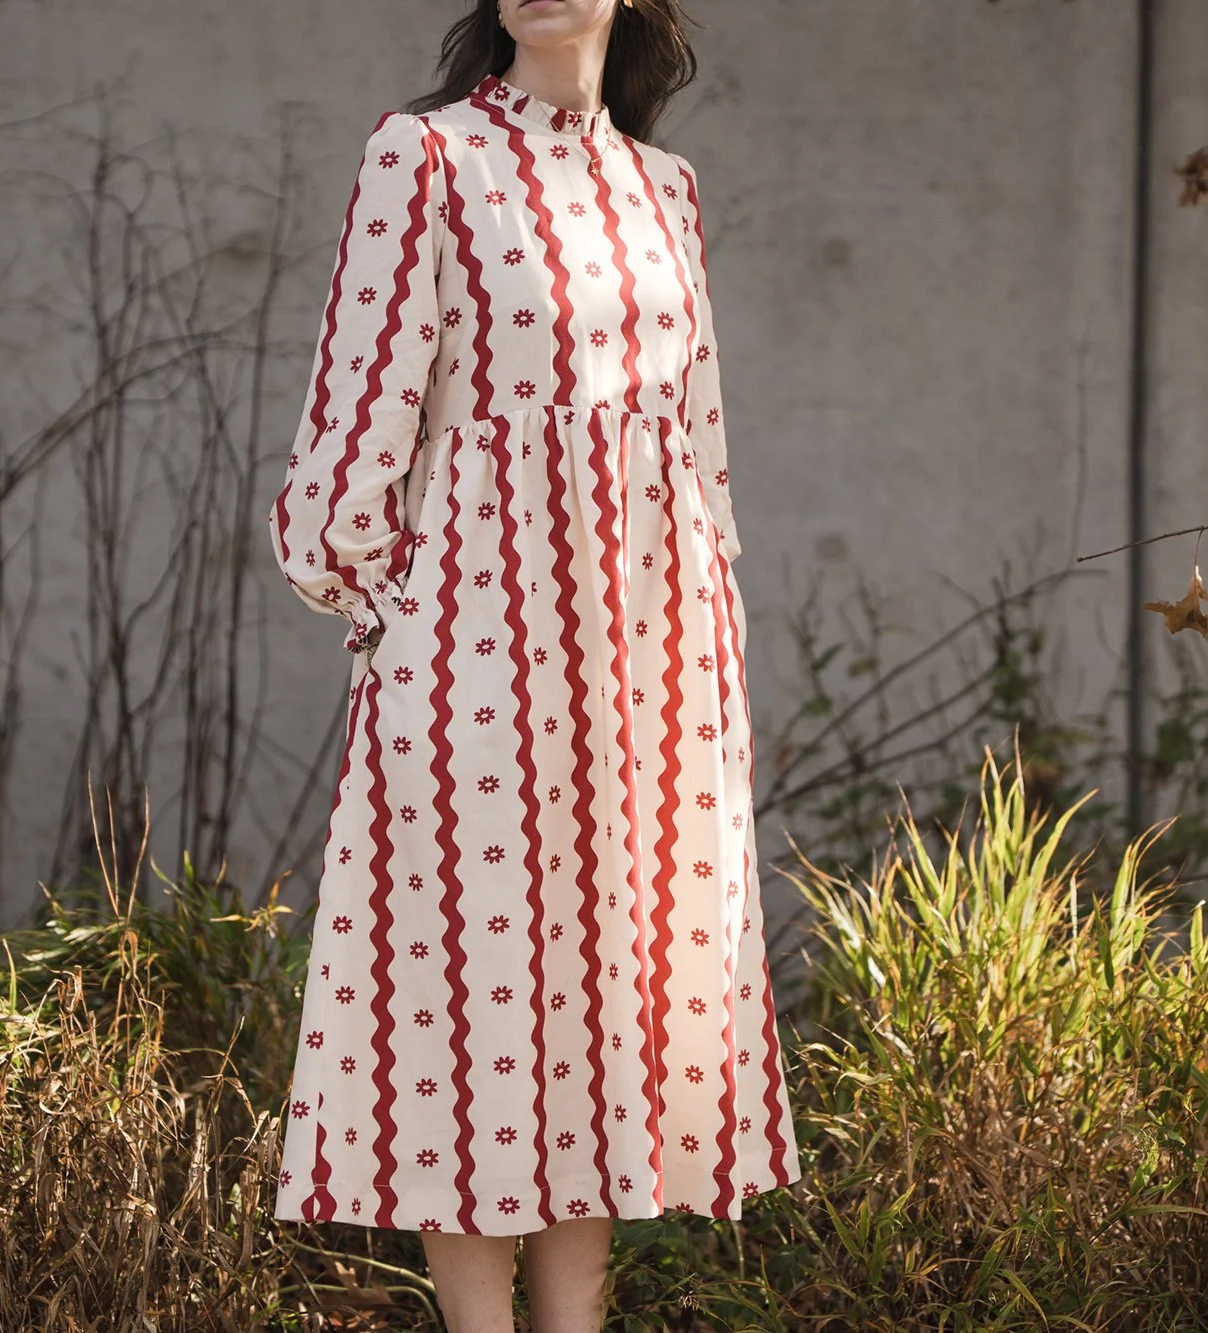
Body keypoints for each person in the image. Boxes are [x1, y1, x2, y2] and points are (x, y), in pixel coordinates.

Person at [265, 1, 799, 1327]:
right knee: (478, 1025)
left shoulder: (664, 188)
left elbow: (702, 453)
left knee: (603, 1012)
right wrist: (411, 628)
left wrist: (705, 669)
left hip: (645, 675)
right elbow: (346, 449)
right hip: (477, 672)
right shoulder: (427, 158)